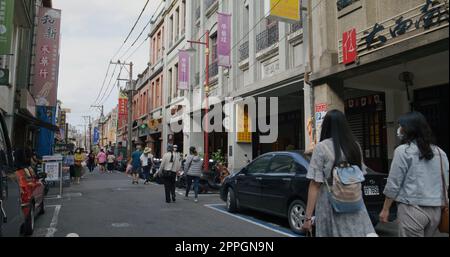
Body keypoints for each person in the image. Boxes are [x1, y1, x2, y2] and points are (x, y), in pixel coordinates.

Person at [301, 109, 376, 237]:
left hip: (330, 204)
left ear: (326, 126)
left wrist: (308, 218)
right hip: (355, 203)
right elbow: (361, 175)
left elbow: (315, 185)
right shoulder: (355, 146)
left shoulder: (321, 148)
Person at [379, 112, 449, 237]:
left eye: (401, 126)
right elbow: (446, 183)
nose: (399, 129)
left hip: (411, 208)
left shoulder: (402, 151)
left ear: (409, 129)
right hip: (435, 210)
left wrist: (385, 209)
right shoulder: (440, 152)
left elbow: (394, 183)